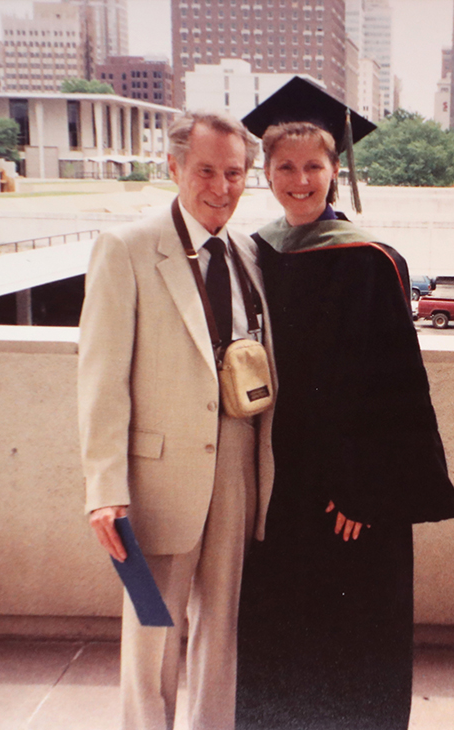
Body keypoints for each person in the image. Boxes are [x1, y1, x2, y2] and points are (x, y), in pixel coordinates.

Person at [235, 77, 454, 730]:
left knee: (351, 646)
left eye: (313, 166)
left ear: (336, 171)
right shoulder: (254, 257)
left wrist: (365, 494)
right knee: (279, 645)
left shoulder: (369, 261)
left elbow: (393, 389)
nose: (299, 179)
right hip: (276, 490)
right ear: (267, 172)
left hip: (349, 498)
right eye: (285, 166)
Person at [77, 111, 276, 730]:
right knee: (150, 626)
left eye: (236, 173)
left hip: (236, 469)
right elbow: (101, 378)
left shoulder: (249, 252)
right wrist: (105, 491)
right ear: (174, 168)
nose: (222, 187)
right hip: (150, 481)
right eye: (207, 171)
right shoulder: (126, 247)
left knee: (223, 625)